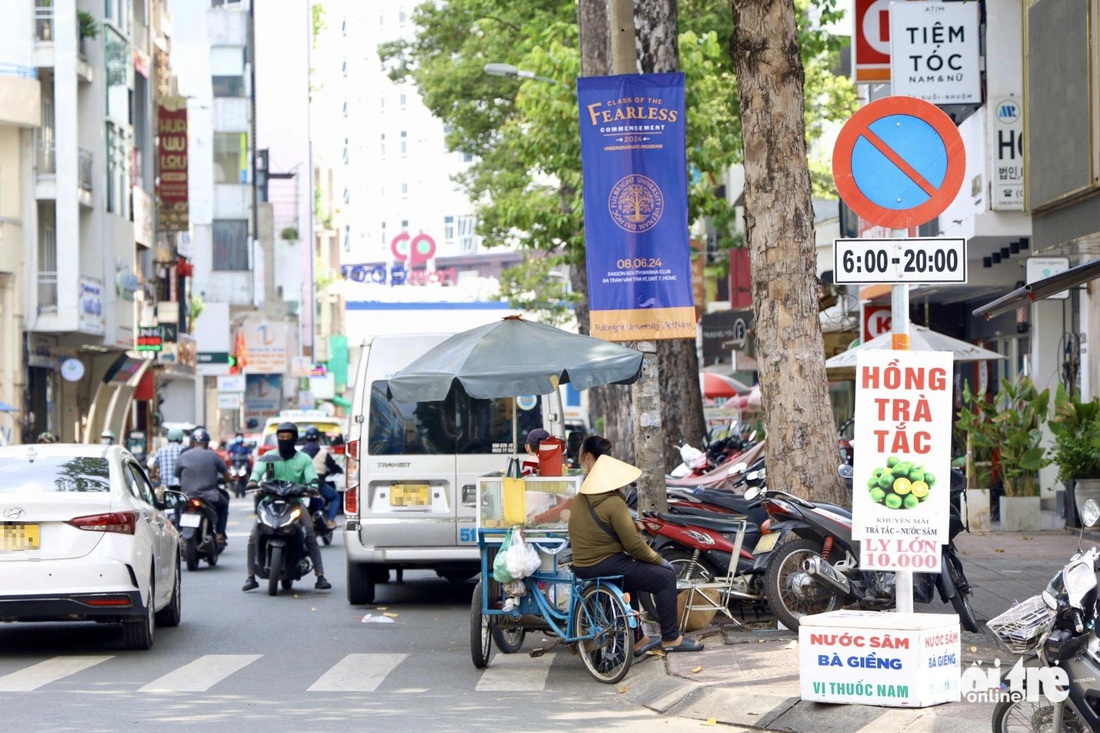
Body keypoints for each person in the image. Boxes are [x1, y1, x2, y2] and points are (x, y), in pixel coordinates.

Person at [568, 451, 704, 657]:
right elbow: (634, 546)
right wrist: (660, 560)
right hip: (607, 563)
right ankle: (671, 638)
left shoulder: (579, 500)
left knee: (632, 580)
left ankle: (638, 638)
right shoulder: (614, 503)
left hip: (582, 567)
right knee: (665, 578)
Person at [242, 422, 331, 591]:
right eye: (281, 437)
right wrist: (253, 481)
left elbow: (312, 478)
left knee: (310, 534)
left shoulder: (304, 459)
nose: (284, 440)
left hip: (294, 503)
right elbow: (257, 472)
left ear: (294, 439)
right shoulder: (269, 457)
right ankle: (250, 576)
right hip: (269, 502)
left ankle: (320, 575)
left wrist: (313, 487)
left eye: (287, 437)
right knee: (254, 535)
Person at [174, 428, 231, 546]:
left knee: (177, 508)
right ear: (207, 443)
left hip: (187, 496)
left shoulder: (182, 457)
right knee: (224, 505)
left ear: (192, 443)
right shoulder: (213, 456)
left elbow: (177, 475)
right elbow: (226, 474)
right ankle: (220, 534)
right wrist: (226, 480)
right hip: (209, 496)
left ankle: (178, 530)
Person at [300, 426, 342, 529]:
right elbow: (333, 467)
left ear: (306, 439)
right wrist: (339, 470)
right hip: (318, 483)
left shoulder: (300, 454)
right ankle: (330, 521)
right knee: (335, 497)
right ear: (318, 439)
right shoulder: (324, 453)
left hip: (302, 484)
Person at [150, 428, 186, 493]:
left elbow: (154, 467)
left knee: (156, 501)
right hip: (182, 489)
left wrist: (154, 475)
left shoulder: (161, 451)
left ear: (168, 439)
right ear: (181, 440)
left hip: (165, 489)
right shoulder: (185, 450)